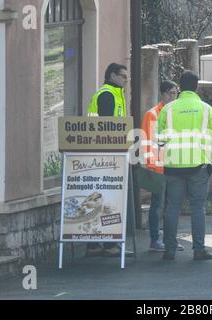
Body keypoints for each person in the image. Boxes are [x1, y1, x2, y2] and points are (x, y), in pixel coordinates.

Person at [157, 70, 212, 260]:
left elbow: (159, 139)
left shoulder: (167, 109)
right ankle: (199, 250)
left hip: (173, 166)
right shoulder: (205, 109)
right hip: (198, 166)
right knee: (197, 208)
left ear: (180, 87)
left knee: (172, 208)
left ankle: (169, 250)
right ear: (196, 86)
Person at [85, 63, 130, 257]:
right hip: (104, 155)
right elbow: (106, 127)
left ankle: (98, 244)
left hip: (107, 154)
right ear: (112, 75)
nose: (125, 80)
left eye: (127, 77)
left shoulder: (113, 94)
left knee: (103, 200)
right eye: (122, 76)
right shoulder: (107, 94)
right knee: (105, 200)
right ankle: (105, 243)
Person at [141, 80, 184, 252]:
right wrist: (151, 166)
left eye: (176, 93)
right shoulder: (152, 115)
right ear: (163, 94)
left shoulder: (176, 113)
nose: (173, 96)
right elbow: (148, 141)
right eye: (170, 93)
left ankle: (169, 240)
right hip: (158, 167)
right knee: (157, 205)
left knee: (171, 205)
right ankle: (155, 240)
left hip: (174, 165)